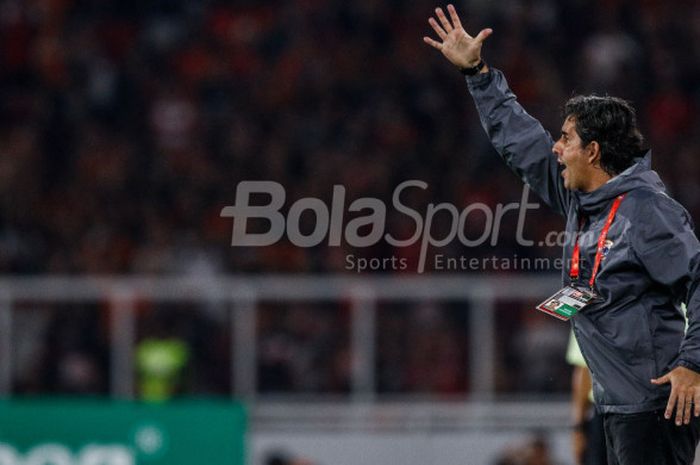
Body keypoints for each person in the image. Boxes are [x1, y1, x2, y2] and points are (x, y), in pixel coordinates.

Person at [423, 5, 700, 465]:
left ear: (592, 151)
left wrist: (693, 364)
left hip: (654, 407)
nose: (556, 147)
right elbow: (521, 142)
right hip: (616, 405)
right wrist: (477, 74)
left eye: (566, 139)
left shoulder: (649, 213)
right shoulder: (581, 200)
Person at [567, 332, 607, 465]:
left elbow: (582, 369)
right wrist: (578, 428)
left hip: (605, 409)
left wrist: (578, 428)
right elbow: (583, 369)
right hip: (642, 402)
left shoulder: (585, 311)